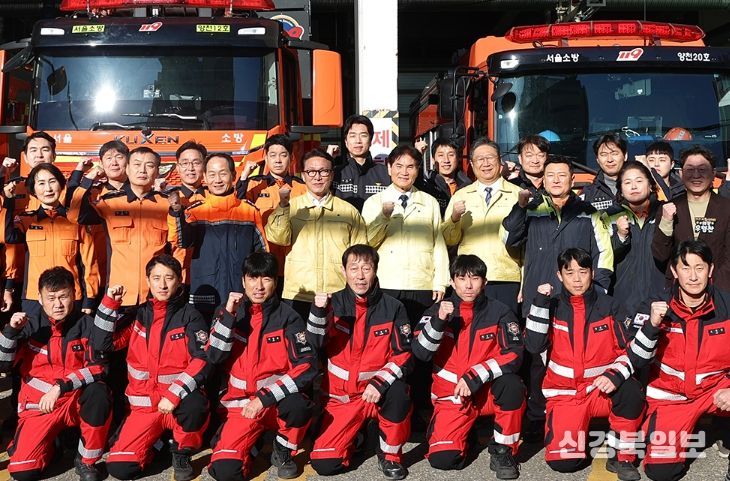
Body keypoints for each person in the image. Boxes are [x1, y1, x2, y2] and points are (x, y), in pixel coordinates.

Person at [502, 156, 613, 441]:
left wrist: (598, 290)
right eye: (550, 175)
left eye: (562, 175)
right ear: (543, 178)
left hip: (577, 300)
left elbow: (604, 254)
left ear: (572, 180)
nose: (555, 180)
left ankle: (578, 410)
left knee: (573, 356)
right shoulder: (532, 209)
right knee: (537, 359)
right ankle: (538, 415)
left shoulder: (589, 213)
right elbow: (509, 240)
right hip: (539, 297)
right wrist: (520, 206)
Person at [524, 248, 646, 481]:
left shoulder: (610, 306)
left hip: (601, 390)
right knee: (564, 463)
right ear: (559, 276)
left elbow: (631, 350)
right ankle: (580, 429)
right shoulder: (549, 306)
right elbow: (533, 345)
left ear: (592, 273)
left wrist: (614, 374)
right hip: (566, 394)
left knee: (631, 390)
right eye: (569, 273)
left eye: (583, 271)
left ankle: (622, 454)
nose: (577, 279)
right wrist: (539, 302)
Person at [412, 254, 525, 480]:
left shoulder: (500, 311)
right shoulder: (437, 310)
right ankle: (466, 434)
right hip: (451, 395)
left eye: (475, 278)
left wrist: (475, 376)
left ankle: (503, 450)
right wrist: (439, 321)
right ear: (452, 282)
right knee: (444, 460)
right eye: (462, 278)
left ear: (485, 282)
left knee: (513, 385)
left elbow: (514, 354)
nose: (468, 285)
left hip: (486, 392)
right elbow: (421, 352)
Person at [206, 252, 317, 481]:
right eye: (252, 278)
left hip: (277, 404)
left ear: (275, 282)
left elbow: (307, 366)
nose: (259, 286)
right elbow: (214, 356)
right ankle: (252, 445)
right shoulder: (228, 312)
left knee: (299, 406)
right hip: (241, 407)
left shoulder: (289, 317)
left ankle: (283, 449)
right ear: (243, 281)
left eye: (266, 279)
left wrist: (264, 398)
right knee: (225, 472)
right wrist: (229, 316)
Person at [307, 244, 413, 480]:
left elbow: (404, 354)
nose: (360, 276)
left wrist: (380, 382)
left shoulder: (394, 307)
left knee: (399, 392)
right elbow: (315, 344)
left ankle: (390, 455)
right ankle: (359, 435)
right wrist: (318, 312)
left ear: (375, 270)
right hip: (342, 398)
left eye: (366, 268)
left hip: (377, 393)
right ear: (343, 271)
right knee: (325, 464)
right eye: (354, 268)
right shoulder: (332, 304)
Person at [102, 255, 211, 481]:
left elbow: (202, 359)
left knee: (196, 405)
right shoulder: (138, 315)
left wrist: (173, 394)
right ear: (148, 281)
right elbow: (104, 344)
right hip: (144, 407)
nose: (162, 285)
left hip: (177, 403)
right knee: (120, 468)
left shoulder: (191, 316)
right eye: (156, 278)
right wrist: (109, 305)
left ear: (179, 281)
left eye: (169, 278)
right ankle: (157, 445)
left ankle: (181, 453)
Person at [629, 240, 730, 481]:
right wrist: (652, 326)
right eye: (686, 268)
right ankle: (682, 433)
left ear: (710, 270)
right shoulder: (654, 306)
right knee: (661, 472)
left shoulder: (727, 306)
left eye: (699, 267)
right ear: (674, 271)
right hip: (671, 399)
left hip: (715, 390)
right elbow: (635, 360)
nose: (693, 276)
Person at [0, 267, 112, 481]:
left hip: (74, 400)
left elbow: (100, 367)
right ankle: (53, 444)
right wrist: (10, 333)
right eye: (51, 298)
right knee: (23, 472)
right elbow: (2, 366)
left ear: (74, 294)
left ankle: (86, 461)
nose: (58, 304)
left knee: (99, 392)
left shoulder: (88, 324)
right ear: (40, 298)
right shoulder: (29, 325)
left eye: (63, 296)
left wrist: (61, 386)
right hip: (39, 405)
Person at [68, 146, 183, 308]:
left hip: (157, 295)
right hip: (119, 295)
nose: (142, 170)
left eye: (149, 165)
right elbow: (74, 215)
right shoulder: (109, 203)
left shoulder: (167, 205)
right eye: (137, 164)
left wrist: (177, 211)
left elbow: (180, 243)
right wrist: (88, 180)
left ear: (158, 172)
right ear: (127, 169)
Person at [265, 149, 367, 319]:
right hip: (299, 292)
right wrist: (283, 207)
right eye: (311, 172)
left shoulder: (348, 211)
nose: (317, 177)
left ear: (332, 175)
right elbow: (277, 238)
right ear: (303, 176)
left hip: (337, 292)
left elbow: (360, 253)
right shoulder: (291, 207)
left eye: (324, 171)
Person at [169, 152, 268, 318]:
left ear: (233, 176)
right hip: (205, 293)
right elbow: (183, 242)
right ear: (204, 177)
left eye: (223, 174)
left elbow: (262, 255)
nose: (218, 180)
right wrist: (176, 212)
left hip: (241, 293)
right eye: (212, 174)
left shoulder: (249, 211)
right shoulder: (195, 212)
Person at [362, 144, 448, 321]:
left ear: (417, 170)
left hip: (422, 283)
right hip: (386, 282)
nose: (404, 172)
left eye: (410, 167)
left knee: (420, 333)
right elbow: (367, 243)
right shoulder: (374, 202)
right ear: (389, 168)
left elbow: (439, 245)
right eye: (399, 166)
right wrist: (383, 217)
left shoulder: (430, 202)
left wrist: (440, 282)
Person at [4, 163, 99, 318]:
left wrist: (90, 299)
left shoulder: (76, 221)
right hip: (35, 298)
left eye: (52, 181)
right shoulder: (26, 220)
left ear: (61, 185)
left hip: (70, 297)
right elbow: (8, 236)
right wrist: (8, 202)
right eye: (41, 183)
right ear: (33, 190)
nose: (48, 188)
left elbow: (89, 262)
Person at [443, 138, 523, 315]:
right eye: (480, 159)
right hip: (469, 280)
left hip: (506, 277)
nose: (486, 163)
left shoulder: (517, 194)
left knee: (505, 328)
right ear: (472, 164)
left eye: (490, 158)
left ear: (500, 161)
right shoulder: (461, 195)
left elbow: (527, 245)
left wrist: (525, 281)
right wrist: (454, 218)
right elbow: (448, 240)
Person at [652, 145, 730, 291]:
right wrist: (666, 222)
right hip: (678, 291)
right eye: (690, 170)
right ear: (681, 173)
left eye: (702, 170)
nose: (696, 175)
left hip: (718, 291)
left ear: (713, 173)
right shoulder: (668, 208)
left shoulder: (726, 208)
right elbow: (660, 255)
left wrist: (717, 291)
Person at [241, 135, 308, 282]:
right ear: (266, 158)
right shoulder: (254, 185)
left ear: (291, 157)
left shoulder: (303, 187)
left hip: (294, 262)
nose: (278, 160)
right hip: (263, 262)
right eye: (273, 155)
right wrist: (244, 177)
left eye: (283, 155)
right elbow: (238, 207)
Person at [606, 161, 667, 314]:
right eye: (627, 182)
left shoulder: (665, 212)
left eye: (639, 181)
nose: (633, 186)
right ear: (620, 189)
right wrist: (620, 236)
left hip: (661, 299)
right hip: (622, 301)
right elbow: (602, 257)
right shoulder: (609, 216)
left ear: (651, 185)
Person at [331, 115, 391, 212]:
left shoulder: (386, 173)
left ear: (370, 140)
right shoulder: (335, 173)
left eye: (363, 135)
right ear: (346, 141)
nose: (358, 141)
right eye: (353, 136)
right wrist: (328, 159)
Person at [416, 137, 470, 215]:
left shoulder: (468, 186)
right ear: (433, 160)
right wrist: (418, 154)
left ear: (458, 158)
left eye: (451, 155)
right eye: (441, 155)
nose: (446, 160)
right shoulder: (426, 184)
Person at [581, 133, 627, 210]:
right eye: (604, 155)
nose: (610, 159)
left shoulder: (638, 187)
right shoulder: (588, 194)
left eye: (614, 154)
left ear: (625, 156)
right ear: (597, 159)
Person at [172, 140, 208, 206]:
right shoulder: (168, 198)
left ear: (204, 166)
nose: (190, 168)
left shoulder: (215, 196)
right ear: (178, 168)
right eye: (185, 163)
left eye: (196, 163)